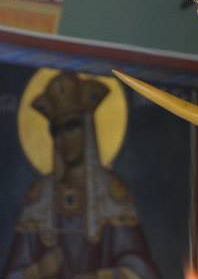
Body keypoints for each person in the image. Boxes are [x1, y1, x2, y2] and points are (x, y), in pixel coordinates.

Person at [3, 72, 160, 279]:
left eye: (71, 127)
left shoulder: (111, 194)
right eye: (57, 130)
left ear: (87, 128)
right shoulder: (40, 198)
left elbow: (140, 271)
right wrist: (38, 272)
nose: (63, 138)